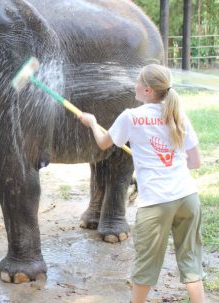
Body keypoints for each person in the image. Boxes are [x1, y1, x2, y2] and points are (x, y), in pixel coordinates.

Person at [79, 64, 205, 303]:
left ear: (147, 90)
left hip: (157, 203)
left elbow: (104, 143)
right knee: (191, 265)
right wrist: (167, 163)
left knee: (146, 266)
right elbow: (195, 161)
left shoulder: (131, 116)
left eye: (137, 82)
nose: (134, 85)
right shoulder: (178, 115)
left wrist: (93, 122)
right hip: (188, 197)